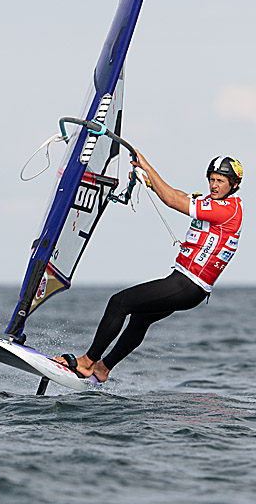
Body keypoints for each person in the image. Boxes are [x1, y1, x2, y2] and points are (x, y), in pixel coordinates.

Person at [54, 152, 244, 383]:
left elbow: (173, 201)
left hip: (187, 284)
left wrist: (146, 163)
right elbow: (177, 194)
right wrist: (148, 180)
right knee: (141, 319)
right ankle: (103, 368)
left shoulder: (227, 210)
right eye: (212, 179)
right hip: (188, 286)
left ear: (234, 184)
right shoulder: (214, 203)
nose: (214, 185)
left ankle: (87, 363)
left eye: (220, 181)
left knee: (119, 302)